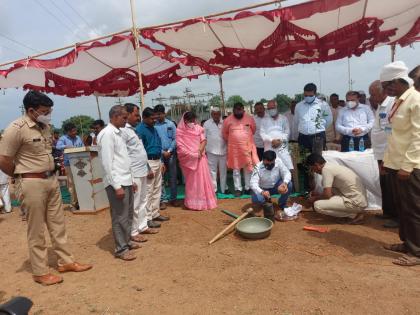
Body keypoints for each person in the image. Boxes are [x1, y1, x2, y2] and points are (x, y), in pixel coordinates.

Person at [0, 90, 92, 286]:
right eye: (44, 111)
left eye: (49, 111)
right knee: (36, 229)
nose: (48, 114)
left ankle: (66, 262)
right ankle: (40, 272)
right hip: (31, 182)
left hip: (51, 181)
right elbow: (4, 159)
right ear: (31, 110)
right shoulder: (15, 128)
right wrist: (20, 176)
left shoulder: (45, 127)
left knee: (58, 224)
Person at [380, 61, 420, 266]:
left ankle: (416, 252)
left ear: (399, 81)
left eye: (387, 85)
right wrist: (389, 162)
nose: (385, 89)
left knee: (413, 209)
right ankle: (407, 243)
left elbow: (418, 137)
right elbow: (395, 135)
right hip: (397, 164)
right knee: (403, 207)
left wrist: (408, 165)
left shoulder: (415, 100)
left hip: (410, 166)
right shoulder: (399, 100)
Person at [98, 105, 139, 261]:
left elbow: (124, 159)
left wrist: (132, 180)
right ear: (114, 117)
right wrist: (116, 186)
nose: (126, 119)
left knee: (127, 214)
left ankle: (127, 241)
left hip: (126, 179)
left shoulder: (119, 133)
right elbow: (107, 163)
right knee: (119, 216)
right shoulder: (107, 134)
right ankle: (121, 249)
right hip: (117, 182)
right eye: (123, 117)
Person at [121, 103, 158, 243]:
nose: (138, 118)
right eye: (136, 115)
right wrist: (129, 176)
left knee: (143, 201)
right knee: (135, 204)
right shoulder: (123, 131)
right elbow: (124, 156)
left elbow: (140, 152)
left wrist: (148, 167)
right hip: (134, 173)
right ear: (128, 114)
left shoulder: (133, 130)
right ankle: (133, 231)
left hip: (142, 170)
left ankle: (142, 226)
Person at [306, 153, 367, 224]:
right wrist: (319, 195)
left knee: (317, 205)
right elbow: (330, 192)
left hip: (356, 203)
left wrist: (315, 198)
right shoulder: (330, 166)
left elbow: (327, 195)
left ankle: (354, 214)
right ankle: (354, 212)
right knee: (328, 192)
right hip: (358, 200)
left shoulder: (326, 170)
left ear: (316, 165)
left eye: (312, 168)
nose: (314, 171)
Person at [368, 80, 397, 228]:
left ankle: (396, 216)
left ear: (383, 91)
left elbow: (391, 130)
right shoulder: (380, 106)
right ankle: (388, 211)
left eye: (373, 94)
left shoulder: (392, 103)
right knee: (384, 184)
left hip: (389, 153)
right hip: (380, 153)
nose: (371, 97)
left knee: (393, 186)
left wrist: (386, 154)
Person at [136, 107, 169, 228]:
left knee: (157, 189)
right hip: (148, 162)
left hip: (157, 160)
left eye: (155, 118)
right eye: (152, 119)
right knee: (148, 192)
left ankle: (155, 213)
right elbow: (140, 151)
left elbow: (157, 145)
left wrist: (161, 162)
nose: (154, 120)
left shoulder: (153, 129)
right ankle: (148, 218)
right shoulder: (140, 130)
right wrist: (147, 167)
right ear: (144, 118)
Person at [177, 112, 217, 210]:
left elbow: (203, 141)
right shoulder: (180, 131)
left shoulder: (199, 128)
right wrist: (192, 155)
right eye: (190, 121)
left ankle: (205, 202)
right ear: (185, 120)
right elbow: (180, 147)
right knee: (193, 182)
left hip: (200, 158)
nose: (192, 122)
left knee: (203, 180)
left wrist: (199, 151)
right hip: (189, 160)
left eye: (193, 120)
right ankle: (193, 203)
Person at [222, 102, 259, 197]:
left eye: (240, 109)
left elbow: (253, 130)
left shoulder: (249, 118)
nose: (238, 111)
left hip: (247, 148)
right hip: (234, 149)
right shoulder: (228, 120)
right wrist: (234, 140)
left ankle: (248, 188)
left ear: (243, 110)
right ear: (233, 110)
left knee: (248, 169)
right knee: (236, 169)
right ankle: (238, 189)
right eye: (236, 109)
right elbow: (225, 133)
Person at [250, 150, 292, 220]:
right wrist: (262, 192)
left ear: (274, 160)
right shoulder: (257, 167)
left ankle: (282, 203)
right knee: (257, 200)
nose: (269, 166)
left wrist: (284, 183)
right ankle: (266, 202)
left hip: (276, 186)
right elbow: (253, 183)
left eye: (271, 164)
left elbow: (287, 173)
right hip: (263, 189)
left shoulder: (279, 162)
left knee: (289, 184)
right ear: (263, 160)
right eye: (267, 164)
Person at [294, 83, 332, 154]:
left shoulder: (323, 105)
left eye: (310, 95)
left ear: (315, 94)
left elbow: (328, 120)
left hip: (318, 137)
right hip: (303, 138)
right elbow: (296, 121)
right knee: (303, 161)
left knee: (318, 160)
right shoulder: (298, 106)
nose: (308, 97)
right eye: (306, 95)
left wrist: (319, 128)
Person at [153, 104, 179, 208]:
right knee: (161, 178)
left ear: (164, 113)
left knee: (173, 177)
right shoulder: (154, 126)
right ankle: (163, 200)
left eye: (160, 114)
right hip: (159, 154)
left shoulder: (171, 124)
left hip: (171, 153)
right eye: (156, 114)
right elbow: (154, 141)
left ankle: (173, 199)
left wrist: (169, 150)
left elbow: (175, 139)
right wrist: (162, 151)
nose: (158, 116)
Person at [56, 122, 84, 210]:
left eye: (75, 130)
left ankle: (82, 202)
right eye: (73, 131)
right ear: (68, 132)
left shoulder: (78, 138)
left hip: (81, 163)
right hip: (69, 164)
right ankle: (73, 204)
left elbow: (83, 147)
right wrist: (66, 146)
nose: (75, 132)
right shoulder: (63, 138)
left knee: (81, 182)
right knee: (72, 184)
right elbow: (58, 146)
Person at [260, 100, 293, 171]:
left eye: (272, 107)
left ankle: (288, 181)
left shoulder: (284, 118)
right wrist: (272, 140)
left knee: (286, 169)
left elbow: (287, 132)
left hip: (282, 148)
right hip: (269, 148)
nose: (271, 110)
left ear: (277, 107)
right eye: (269, 108)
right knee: (271, 170)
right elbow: (262, 134)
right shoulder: (264, 120)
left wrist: (280, 141)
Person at [203, 107, 227, 194]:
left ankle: (224, 189)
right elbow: (203, 137)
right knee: (212, 171)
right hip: (211, 151)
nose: (216, 115)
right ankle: (214, 190)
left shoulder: (225, 122)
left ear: (220, 114)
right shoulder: (206, 124)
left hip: (223, 150)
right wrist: (204, 150)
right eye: (214, 114)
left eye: (218, 114)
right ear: (211, 114)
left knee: (223, 171)